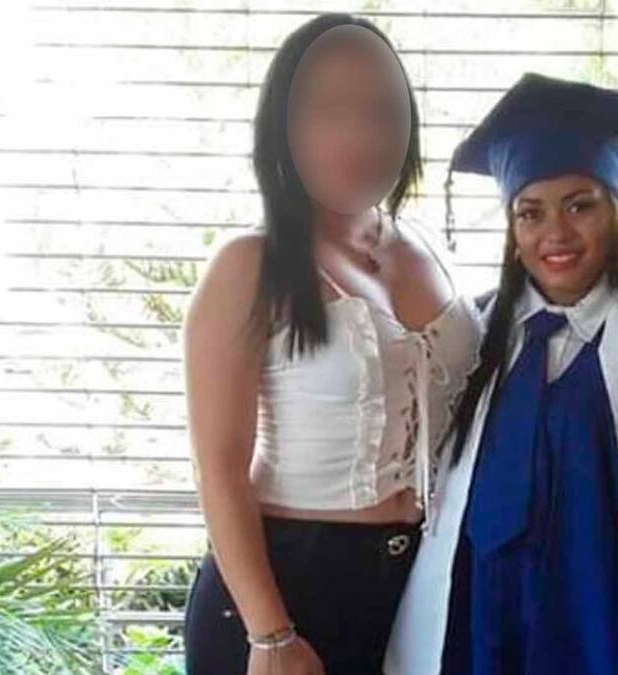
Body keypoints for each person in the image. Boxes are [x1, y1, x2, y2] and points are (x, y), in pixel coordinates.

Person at [181, 13, 480, 675]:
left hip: (418, 585)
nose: (361, 134)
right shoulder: (247, 264)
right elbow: (218, 467)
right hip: (285, 590)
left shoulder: (427, 247)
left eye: (383, 111)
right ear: (284, 127)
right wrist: (270, 635)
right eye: (330, 110)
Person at [383, 73, 618, 675]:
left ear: (615, 214)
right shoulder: (470, 337)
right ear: (513, 233)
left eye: (580, 205)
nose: (556, 233)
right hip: (482, 610)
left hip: (600, 613)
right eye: (530, 212)